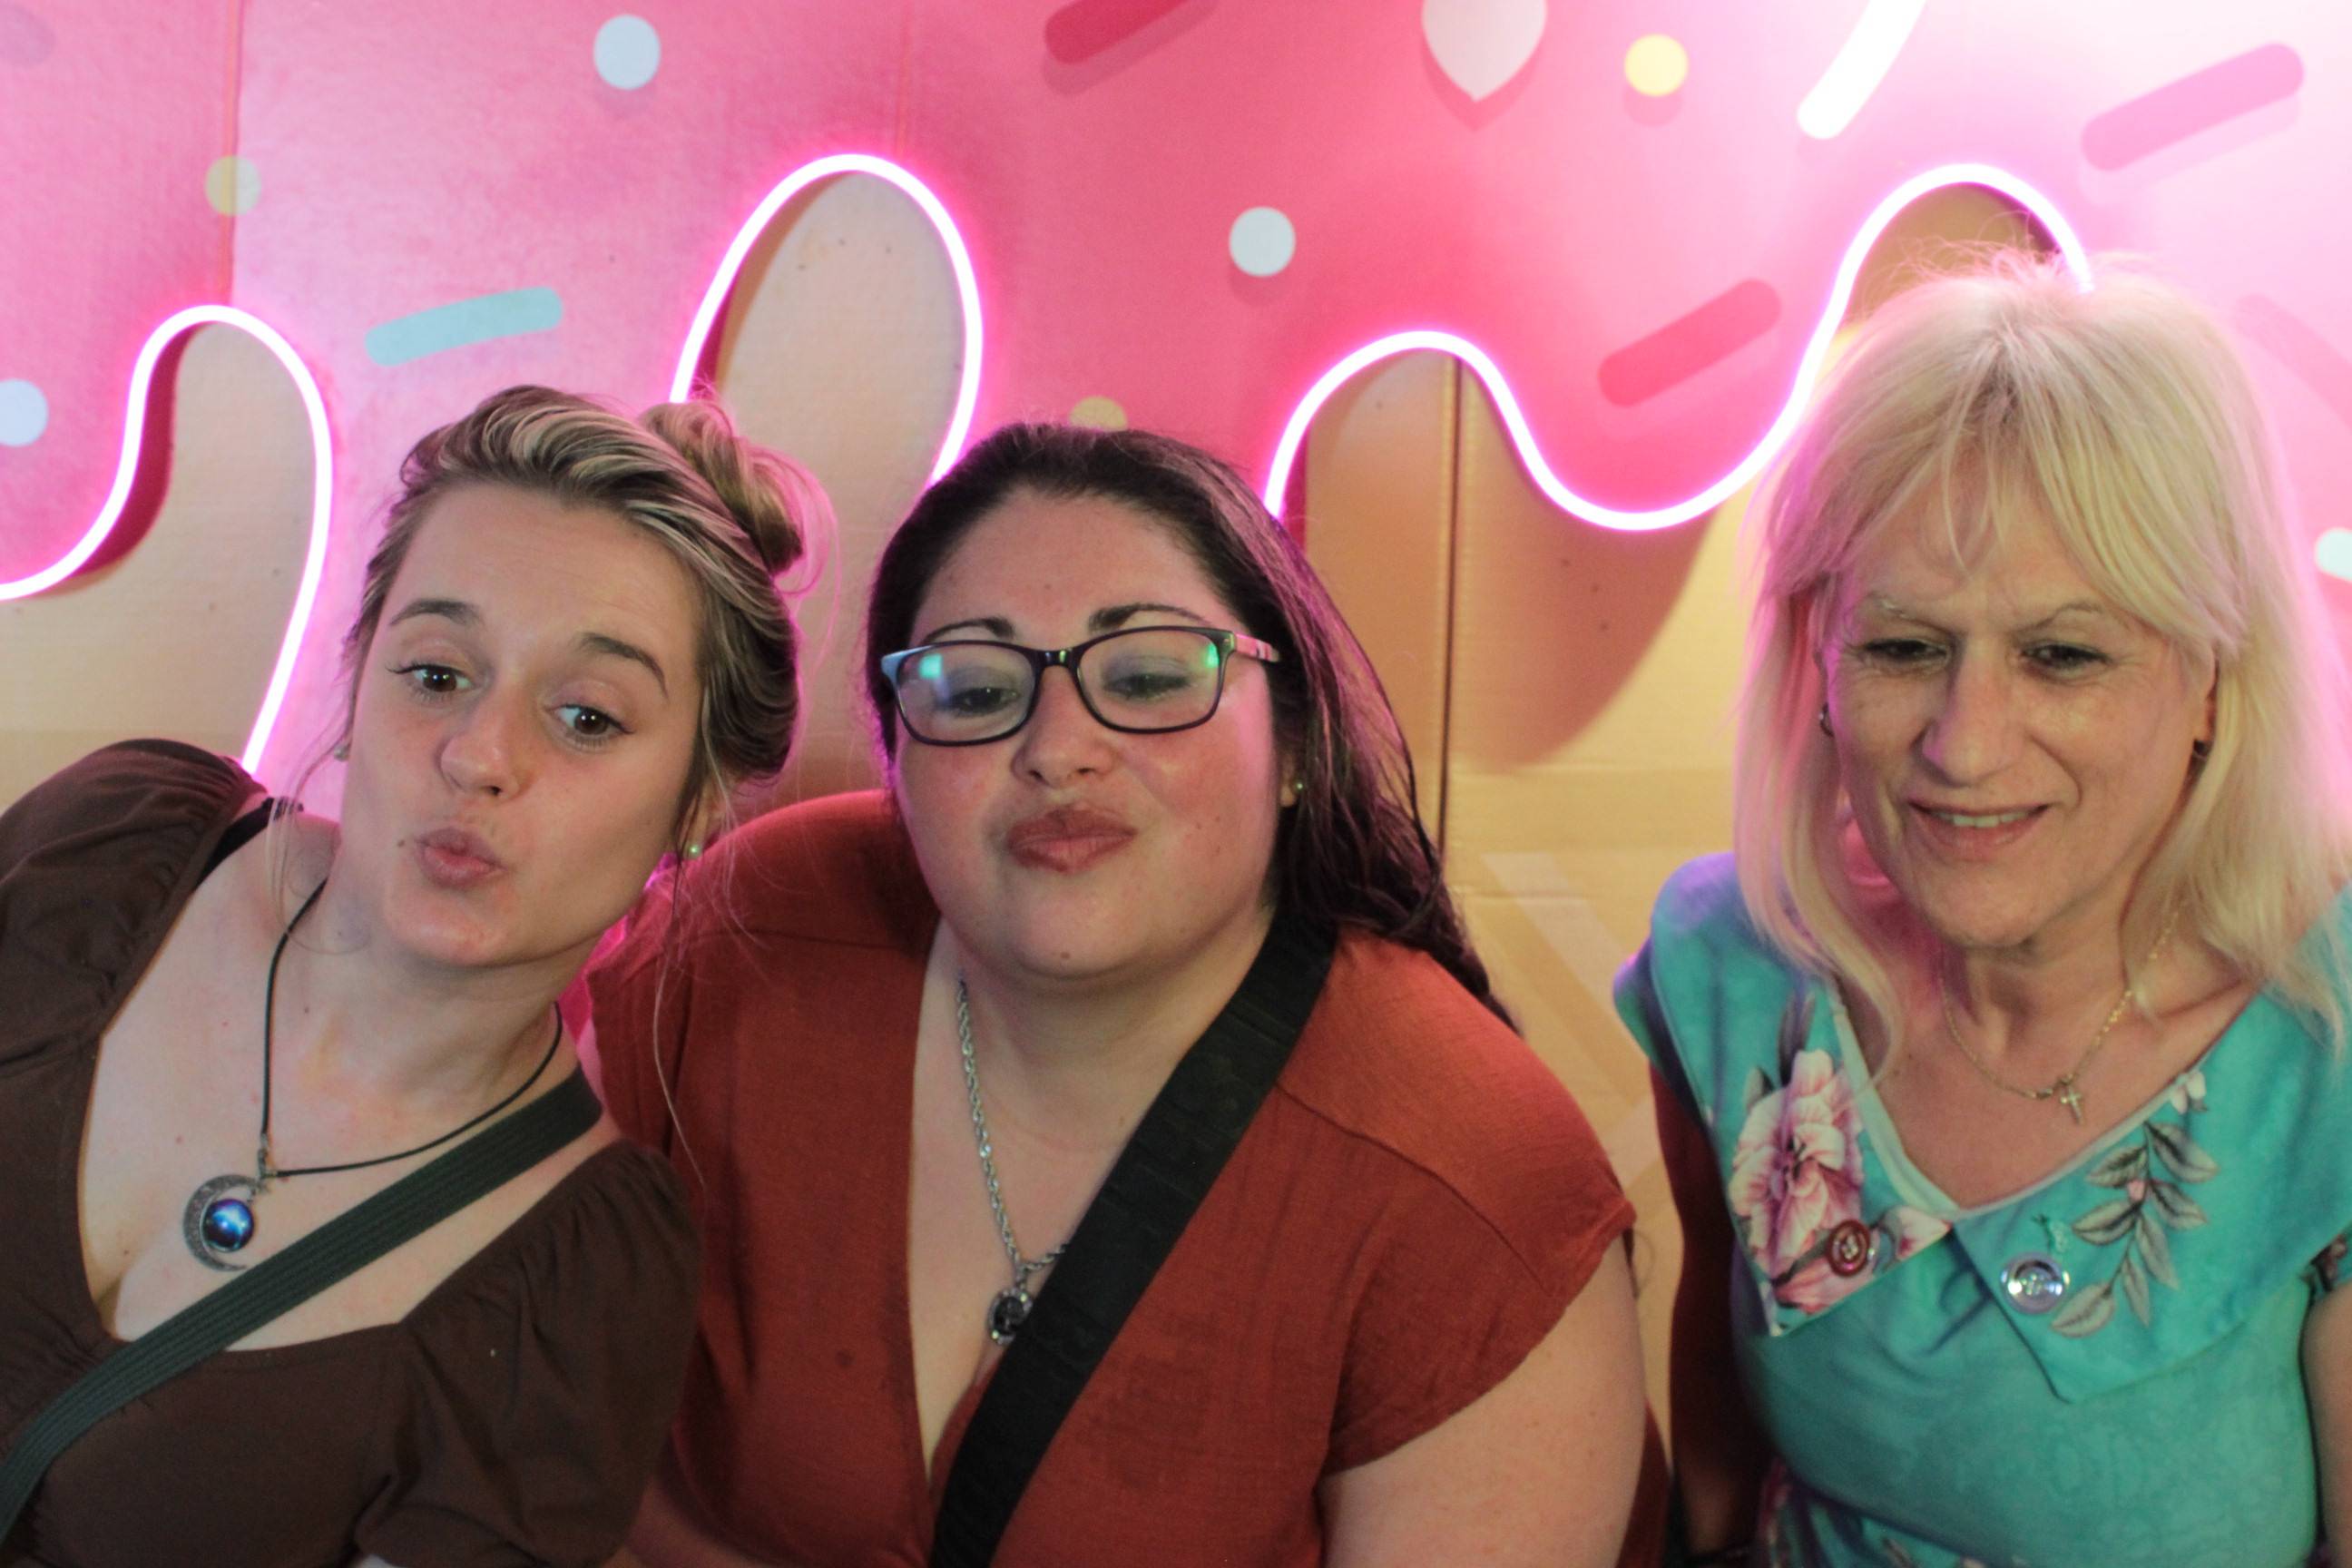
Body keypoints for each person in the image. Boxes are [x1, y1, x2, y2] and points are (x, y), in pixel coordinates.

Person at [590, 421, 1659, 1566]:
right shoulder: (744, 937)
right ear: (896, 759)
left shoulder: (1469, 1182)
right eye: (974, 687)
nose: (1059, 749)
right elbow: (556, 1425)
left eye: (1147, 677)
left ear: (1297, 743)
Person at [0, 384, 824, 1567]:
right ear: (357, 677)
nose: (479, 755)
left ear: (699, 801)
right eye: (437, 674)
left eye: (588, 717)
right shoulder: (113, 849)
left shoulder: (574, 1290)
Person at [1616, 255, 2352, 1565]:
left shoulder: (2329, 1042)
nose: (1965, 744)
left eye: (2062, 655)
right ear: (1820, 661)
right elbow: (1716, 1457)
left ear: (2212, 681)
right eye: (1904, 647)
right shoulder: (1735, 975)